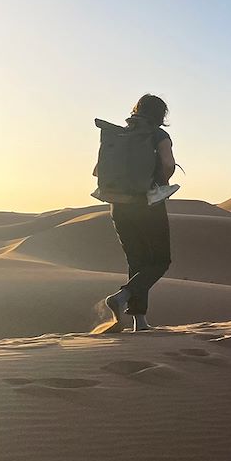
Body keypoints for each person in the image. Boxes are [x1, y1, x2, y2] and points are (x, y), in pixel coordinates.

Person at [94, 94, 176, 333]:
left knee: (137, 261)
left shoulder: (120, 134)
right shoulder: (159, 135)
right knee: (161, 260)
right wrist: (160, 183)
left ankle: (139, 322)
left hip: (118, 204)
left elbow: (100, 169)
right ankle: (123, 296)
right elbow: (168, 164)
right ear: (161, 115)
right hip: (147, 203)